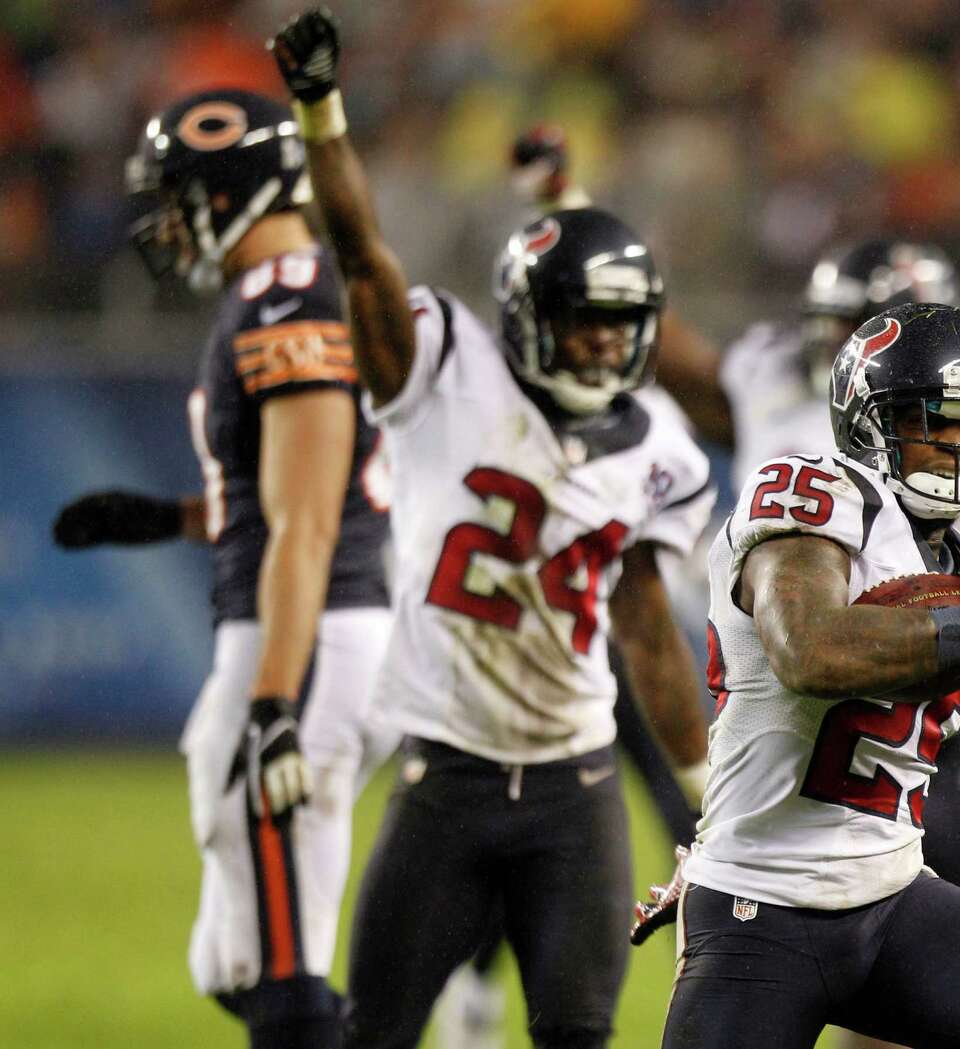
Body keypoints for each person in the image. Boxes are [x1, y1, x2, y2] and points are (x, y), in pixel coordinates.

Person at [269, 9, 716, 1049]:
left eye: (623, 322)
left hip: (580, 786)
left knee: (578, 1031)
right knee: (372, 1030)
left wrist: (707, 797)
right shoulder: (444, 372)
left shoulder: (660, 444)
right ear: (527, 314)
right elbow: (358, 248)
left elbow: (647, 628)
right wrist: (320, 112)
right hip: (448, 778)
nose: (608, 343)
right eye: (585, 319)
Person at [643, 301, 960, 1048]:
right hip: (760, 903)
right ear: (874, 422)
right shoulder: (810, 495)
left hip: (890, 894)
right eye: (940, 419)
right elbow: (810, 651)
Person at [52, 89, 397, 1049]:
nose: (169, 219)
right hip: (310, 621)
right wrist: (169, 517)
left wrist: (276, 696)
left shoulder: (286, 296)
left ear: (235, 187)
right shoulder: (274, 292)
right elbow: (286, 504)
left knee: (280, 967)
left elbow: (309, 520)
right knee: (236, 962)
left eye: (183, 193)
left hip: (305, 635)